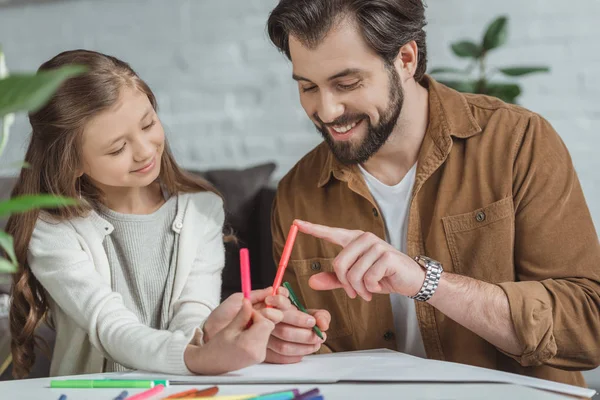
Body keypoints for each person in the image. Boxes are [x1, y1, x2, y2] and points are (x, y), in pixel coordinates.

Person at [266, 0, 600, 386]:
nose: (326, 110)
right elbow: (314, 355)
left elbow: (588, 327)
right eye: (308, 86)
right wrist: (285, 341)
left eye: (347, 84)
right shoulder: (297, 191)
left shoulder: (517, 142)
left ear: (406, 58)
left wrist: (426, 282)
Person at [7, 50, 289, 378]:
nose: (144, 150)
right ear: (73, 163)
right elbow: (109, 325)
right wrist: (197, 357)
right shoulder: (54, 228)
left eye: (148, 124)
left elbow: (192, 316)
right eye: (117, 148)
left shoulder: (203, 211)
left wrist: (210, 329)